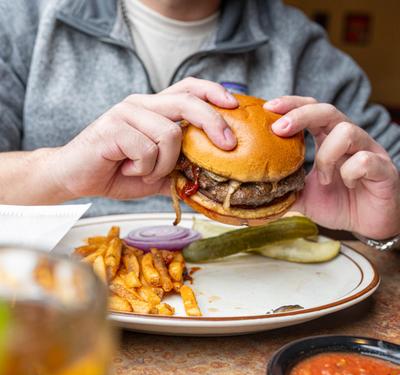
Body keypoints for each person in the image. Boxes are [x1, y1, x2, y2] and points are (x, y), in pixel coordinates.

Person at [0, 0, 399, 243]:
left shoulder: (299, 46)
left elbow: (387, 165)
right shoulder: (20, 18)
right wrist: (58, 172)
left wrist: (389, 223)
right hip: (52, 313)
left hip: (253, 317)